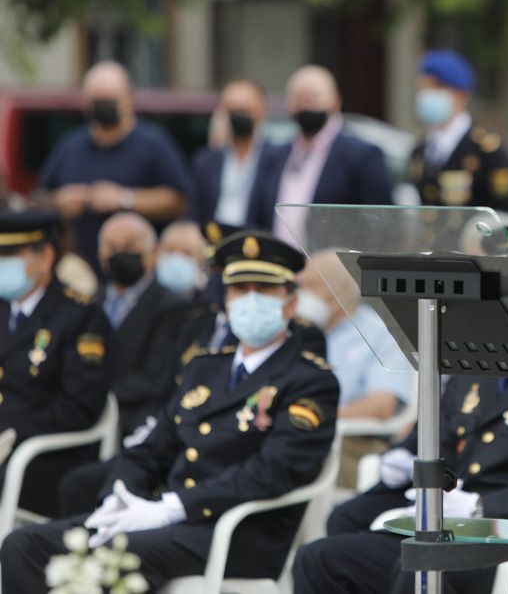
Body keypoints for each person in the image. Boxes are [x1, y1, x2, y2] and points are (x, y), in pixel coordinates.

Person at [0, 231, 341, 590]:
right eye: (241, 290)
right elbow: (154, 445)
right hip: (166, 520)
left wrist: (174, 506)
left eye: (264, 290)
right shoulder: (205, 368)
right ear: (226, 300)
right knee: (24, 545)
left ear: (290, 303)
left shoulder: (309, 379)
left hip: (236, 529)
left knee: (113, 557)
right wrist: (121, 494)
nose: (250, 300)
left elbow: (273, 470)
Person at [292, 374, 508, 594]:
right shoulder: (473, 371)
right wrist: (404, 456)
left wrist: (480, 505)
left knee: (418, 571)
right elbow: (440, 432)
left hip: (497, 533)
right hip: (445, 514)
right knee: (315, 557)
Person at [0, 210, 111, 516]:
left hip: (45, 452)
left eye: (10, 254)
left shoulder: (80, 315)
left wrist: (11, 433)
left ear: (46, 257)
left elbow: (79, 406)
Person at [34, 61, 191, 272]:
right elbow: (36, 199)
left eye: (110, 100)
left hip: (137, 274)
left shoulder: (154, 145)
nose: (103, 107)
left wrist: (125, 199)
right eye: (97, 100)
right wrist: (58, 202)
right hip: (80, 272)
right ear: (85, 103)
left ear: (129, 99)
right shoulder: (69, 146)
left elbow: (179, 201)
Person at [297, 251, 414, 488]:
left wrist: (316, 417)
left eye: (312, 285)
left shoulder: (380, 334)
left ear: (343, 288)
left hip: (351, 442)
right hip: (297, 435)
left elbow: (383, 405)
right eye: (300, 286)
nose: (302, 295)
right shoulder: (297, 330)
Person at [246, 65, 394, 245]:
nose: (307, 105)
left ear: (336, 101)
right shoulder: (273, 156)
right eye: (300, 98)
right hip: (278, 267)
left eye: (314, 97)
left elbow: (381, 226)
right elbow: (256, 218)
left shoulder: (362, 156)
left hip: (334, 270)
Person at [96, 213, 187, 433]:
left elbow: (155, 379)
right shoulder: (90, 301)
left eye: (129, 246)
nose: (119, 254)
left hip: (131, 420)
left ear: (153, 253)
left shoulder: (172, 307)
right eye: (111, 246)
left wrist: (97, 395)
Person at [408, 50, 508, 214]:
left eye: (437, 87)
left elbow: (505, 217)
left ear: (462, 95)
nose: (427, 95)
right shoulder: (420, 150)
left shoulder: (487, 152)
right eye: (424, 88)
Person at [190, 80, 270, 227]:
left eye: (245, 110)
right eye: (232, 111)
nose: (239, 116)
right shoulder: (206, 160)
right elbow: (194, 213)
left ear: (261, 110)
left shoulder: (276, 158)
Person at [154, 220, 208, 301]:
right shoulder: (140, 298)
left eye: (187, 253)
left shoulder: (209, 305)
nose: (177, 258)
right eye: (170, 250)